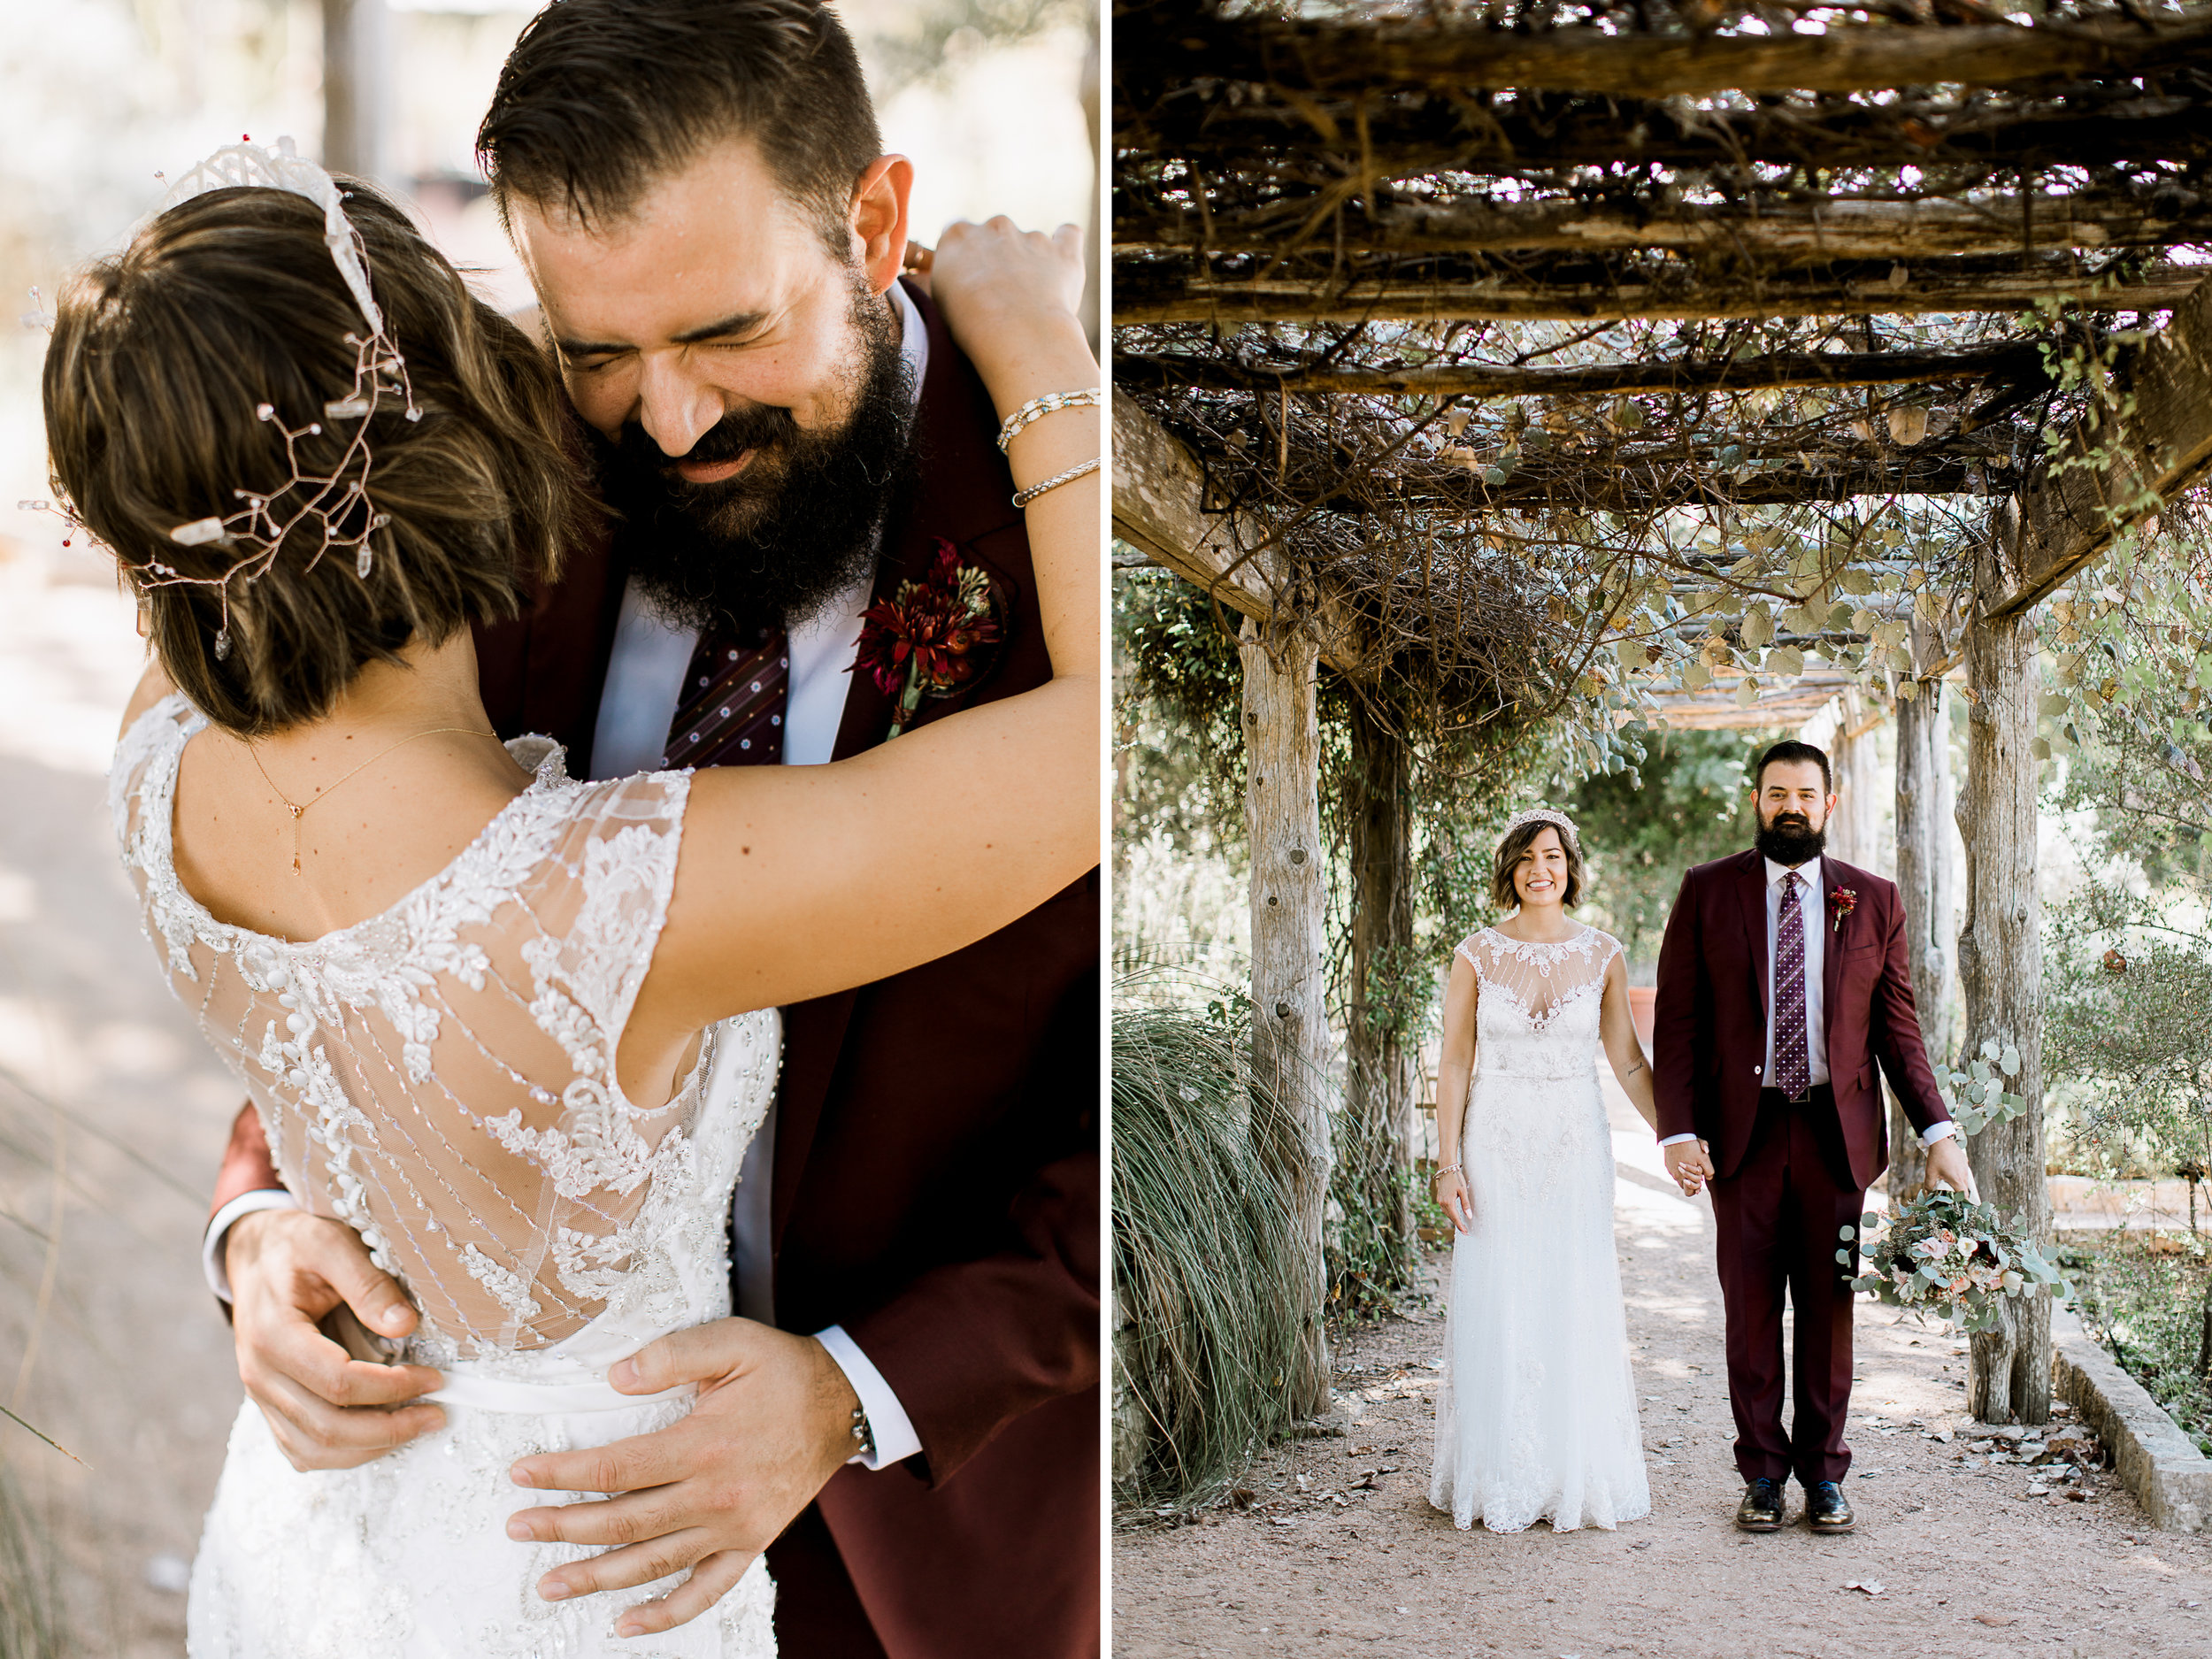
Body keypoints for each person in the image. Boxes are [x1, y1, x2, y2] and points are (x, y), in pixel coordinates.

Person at [49, 120, 1095, 1659]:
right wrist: (1049, 353)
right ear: (457, 417)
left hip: (320, 1561)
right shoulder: (624, 896)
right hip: (593, 1592)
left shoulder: (155, 765)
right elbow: (1094, 749)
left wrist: (274, 1222)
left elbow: (352, 1016)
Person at [1652, 740, 1971, 1537]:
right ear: (1756, 800)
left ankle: (1824, 1476)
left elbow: (1899, 1032)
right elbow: (1679, 1021)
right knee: (1750, 1307)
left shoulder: (1874, 899)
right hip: (1743, 1135)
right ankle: (1762, 1473)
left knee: (1828, 1311)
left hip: (1836, 1135)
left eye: (1804, 792)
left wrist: (1940, 1131)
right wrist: (1679, 1129)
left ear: (1829, 803)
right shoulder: (1705, 892)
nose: (1789, 805)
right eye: (1775, 792)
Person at [1427, 809, 1673, 1533]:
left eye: (1555, 856)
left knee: (1572, 1288)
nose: (1543, 868)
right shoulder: (1474, 952)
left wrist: (1675, 1135)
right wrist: (1448, 1163)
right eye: (1530, 857)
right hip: (1495, 1142)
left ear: (1570, 869)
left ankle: (1573, 1469)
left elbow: (1627, 1059)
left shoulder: (1603, 953)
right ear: (1510, 868)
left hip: (1573, 1143)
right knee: (1498, 1290)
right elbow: (1455, 1058)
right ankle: (1499, 1469)